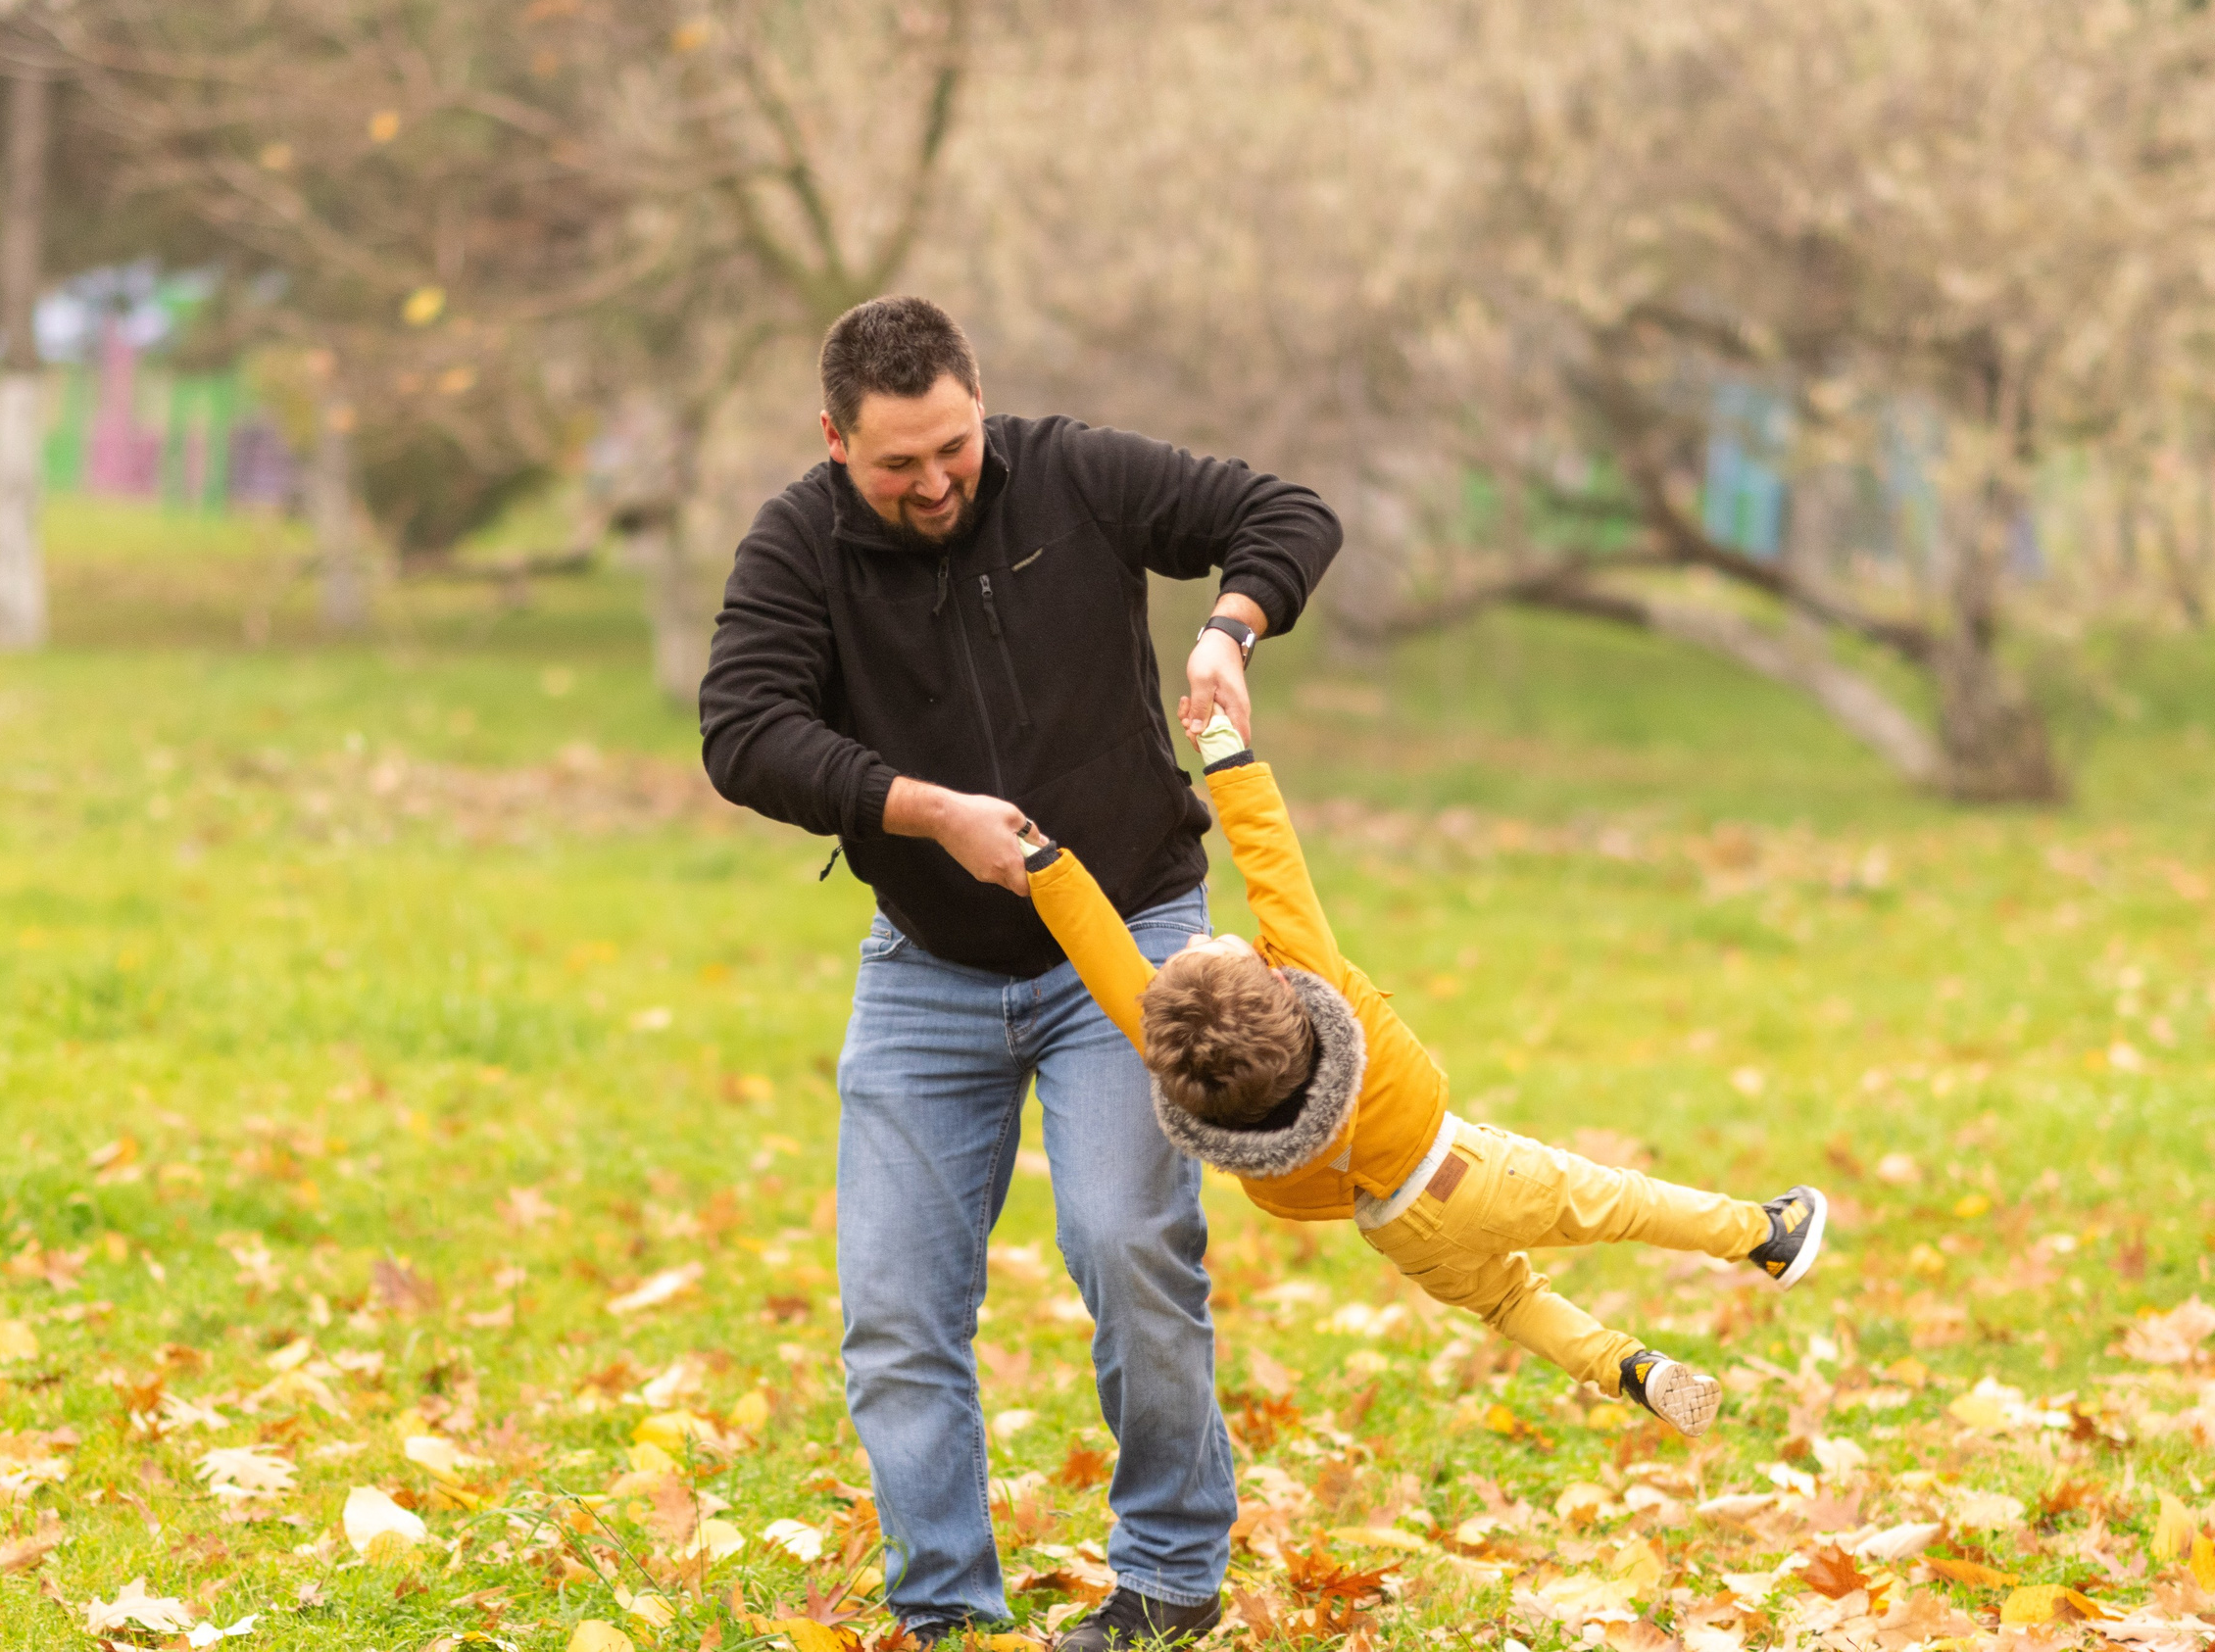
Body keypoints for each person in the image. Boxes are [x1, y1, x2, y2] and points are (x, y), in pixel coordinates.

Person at [700, 296, 1340, 1649]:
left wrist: (1228, 627)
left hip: (1131, 944)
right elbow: (742, 730)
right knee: (894, 1307)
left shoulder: (1073, 473)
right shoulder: (796, 546)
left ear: (980, 406)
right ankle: (946, 1609)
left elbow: (1285, 512)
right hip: (929, 962)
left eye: (954, 447)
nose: (935, 482)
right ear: (833, 441)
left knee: (1127, 1240)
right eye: (897, 464)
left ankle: (1168, 1578)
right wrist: (925, 810)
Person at [1017, 708, 1830, 1435]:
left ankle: (1632, 1369)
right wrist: (1226, 751)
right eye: (1208, 948)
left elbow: (1109, 967)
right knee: (1622, 1202)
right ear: (1274, 984)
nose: (1194, 943)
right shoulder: (1317, 981)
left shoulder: (1202, 1088)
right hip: (1467, 1173)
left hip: (1398, 1231)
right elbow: (1274, 866)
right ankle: (1764, 1234)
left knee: (1514, 1302)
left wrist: (1045, 867)